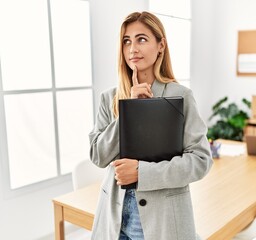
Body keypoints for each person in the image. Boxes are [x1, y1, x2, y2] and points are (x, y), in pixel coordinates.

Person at [89, 11, 213, 240]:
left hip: (162, 220)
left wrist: (141, 173)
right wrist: (129, 110)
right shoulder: (109, 98)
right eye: (127, 41)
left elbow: (201, 160)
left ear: (161, 45)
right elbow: (98, 156)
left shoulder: (181, 96)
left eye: (142, 39)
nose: (133, 48)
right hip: (113, 218)